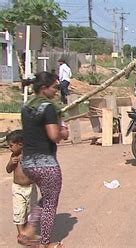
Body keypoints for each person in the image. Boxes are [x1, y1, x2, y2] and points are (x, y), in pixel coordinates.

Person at [21, 71, 68, 248]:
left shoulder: (26, 107)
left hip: (28, 162)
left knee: (46, 197)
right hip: (46, 164)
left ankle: (28, 231)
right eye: (54, 87)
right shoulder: (48, 107)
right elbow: (54, 135)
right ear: (43, 88)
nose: (56, 91)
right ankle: (45, 242)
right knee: (50, 202)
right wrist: (64, 132)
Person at [5, 130, 37, 246]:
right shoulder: (13, 156)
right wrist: (10, 163)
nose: (9, 148)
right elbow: (8, 170)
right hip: (17, 188)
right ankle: (21, 234)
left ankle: (28, 232)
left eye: (11, 145)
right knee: (19, 211)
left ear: (20, 144)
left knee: (30, 211)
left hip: (30, 188)